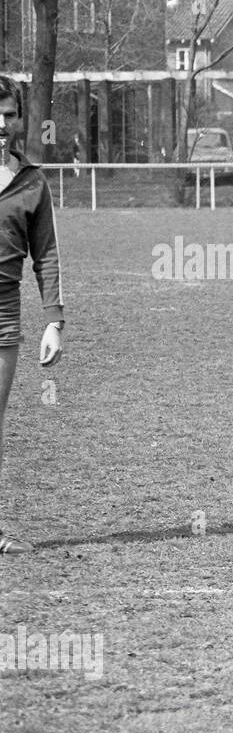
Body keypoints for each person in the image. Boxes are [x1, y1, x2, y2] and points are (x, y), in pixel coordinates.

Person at [0, 74, 64, 555]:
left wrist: (53, 320)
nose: (2, 125)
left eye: (9, 115)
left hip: (3, 324)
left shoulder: (32, 182)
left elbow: (46, 256)